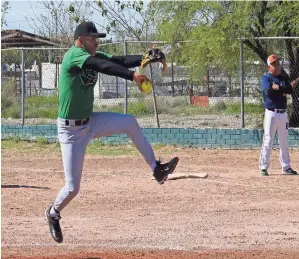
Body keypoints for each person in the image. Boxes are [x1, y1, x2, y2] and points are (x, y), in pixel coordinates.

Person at [45, 21, 179, 243]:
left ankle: (157, 169)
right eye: (92, 39)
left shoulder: (92, 53)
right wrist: (133, 76)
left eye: (97, 38)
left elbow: (117, 61)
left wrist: (145, 57)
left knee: (130, 123)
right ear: (80, 40)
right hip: (70, 132)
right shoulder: (74, 55)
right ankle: (53, 213)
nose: (96, 42)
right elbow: (103, 67)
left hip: (90, 122)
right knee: (72, 187)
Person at [259, 54, 298, 177]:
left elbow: (290, 90)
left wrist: (279, 88)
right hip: (271, 113)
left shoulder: (282, 77)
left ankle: (286, 167)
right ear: (269, 67)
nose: (278, 66)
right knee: (268, 140)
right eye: (274, 64)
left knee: (284, 142)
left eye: (278, 64)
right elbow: (268, 92)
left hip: (283, 113)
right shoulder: (266, 78)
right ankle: (263, 167)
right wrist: (281, 90)